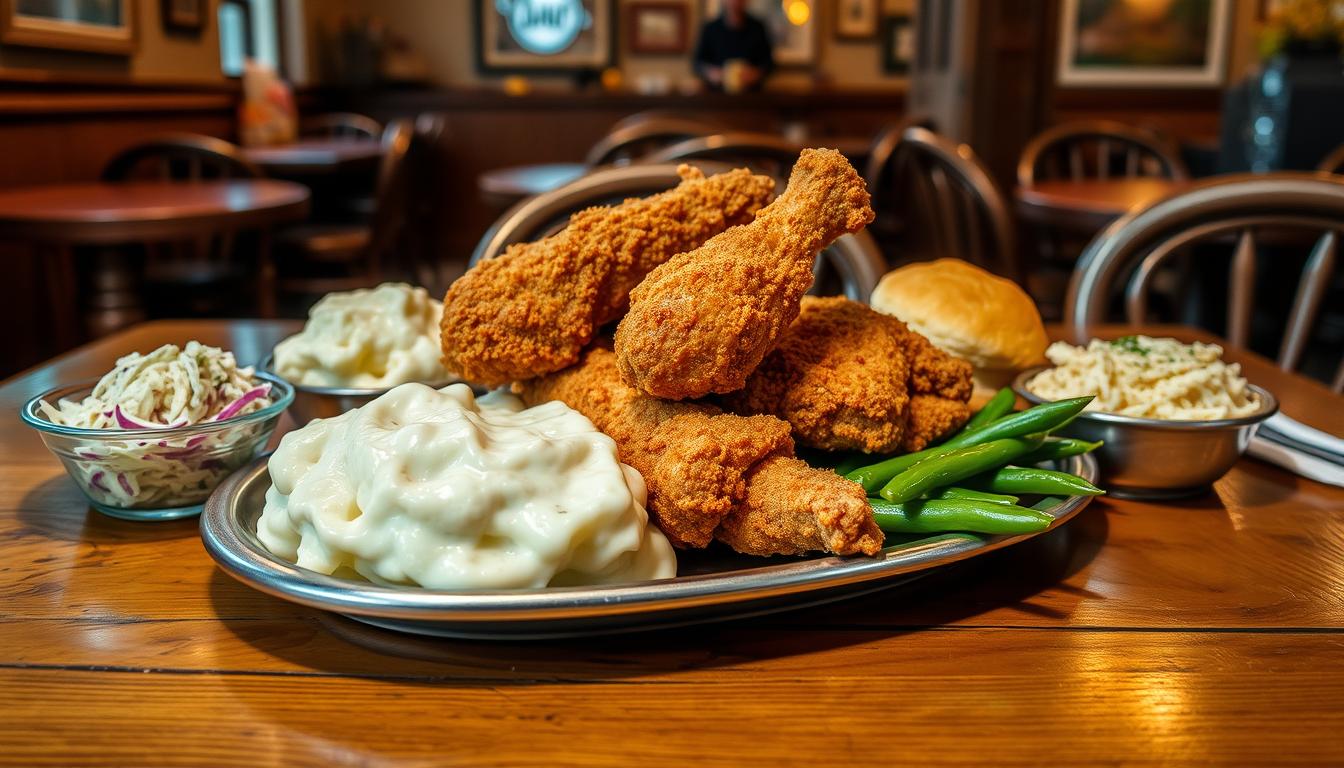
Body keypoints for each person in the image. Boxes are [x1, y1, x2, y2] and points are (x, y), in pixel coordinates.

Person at [693, 0, 774, 92]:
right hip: (717, 95)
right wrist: (710, 73)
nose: (735, 2)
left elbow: (769, 63)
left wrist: (756, 73)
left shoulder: (758, 28)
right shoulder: (710, 29)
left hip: (751, 95)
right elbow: (697, 63)